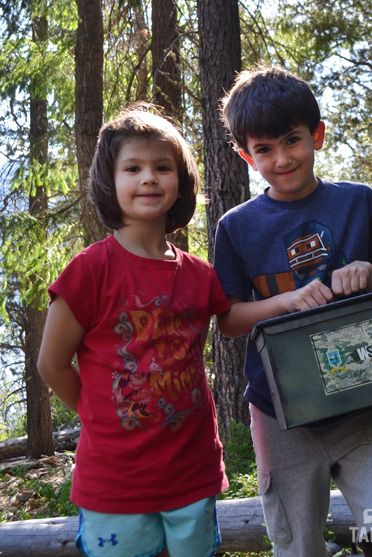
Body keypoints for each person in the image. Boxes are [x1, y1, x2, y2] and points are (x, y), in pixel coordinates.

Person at [213, 66, 372, 557]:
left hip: (366, 401)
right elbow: (228, 319)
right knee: (298, 548)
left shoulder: (357, 202)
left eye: (292, 140)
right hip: (279, 414)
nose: (282, 158)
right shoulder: (236, 228)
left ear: (316, 135)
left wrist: (366, 272)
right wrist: (288, 301)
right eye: (264, 149)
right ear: (246, 155)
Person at [38, 103, 230, 557]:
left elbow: (232, 323)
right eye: (133, 168)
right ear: (110, 180)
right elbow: (51, 363)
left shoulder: (202, 275)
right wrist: (97, 412)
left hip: (192, 470)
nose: (149, 178)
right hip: (116, 479)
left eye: (162, 167)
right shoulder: (89, 271)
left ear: (180, 181)